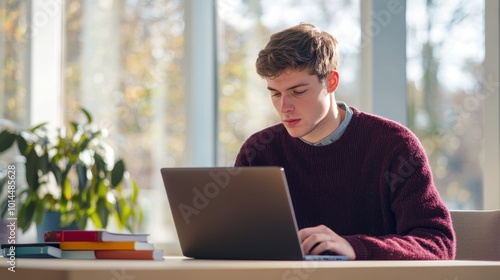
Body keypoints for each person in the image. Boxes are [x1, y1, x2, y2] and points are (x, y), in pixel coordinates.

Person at [234, 23, 455, 260]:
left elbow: (437, 244)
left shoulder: (395, 145)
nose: (284, 107)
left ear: (331, 82)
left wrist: (355, 248)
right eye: (275, 93)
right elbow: (234, 239)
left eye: (297, 91)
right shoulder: (258, 151)